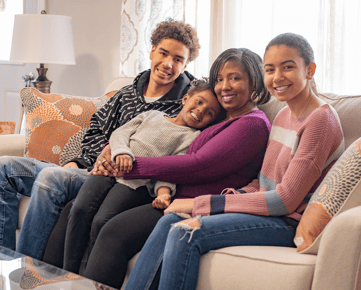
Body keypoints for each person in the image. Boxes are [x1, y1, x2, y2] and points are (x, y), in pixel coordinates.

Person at [124, 33, 345, 290]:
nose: (277, 77)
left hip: (288, 220)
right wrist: (233, 197)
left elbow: (285, 199)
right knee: (170, 220)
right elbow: (265, 182)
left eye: (288, 67)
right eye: (270, 69)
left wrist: (201, 204)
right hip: (268, 210)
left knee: (186, 232)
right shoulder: (284, 114)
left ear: (310, 70)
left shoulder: (320, 121)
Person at [42, 47, 272, 289]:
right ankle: (47, 281)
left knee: (113, 232)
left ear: (255, 82)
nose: (224, 86)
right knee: (72, 209)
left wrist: (127, 167)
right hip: (165, 189)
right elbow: (152, 136)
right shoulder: (225, 116)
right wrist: (113, 149)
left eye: (234, 78)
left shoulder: (251, 125)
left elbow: (198, 165)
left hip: (184, 200)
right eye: (220, 79)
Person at [0, 18, 200, 257]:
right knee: (5, 167)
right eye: (164, 53)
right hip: (85, 169)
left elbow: (166, 153)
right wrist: (79, 161)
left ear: (187, 63)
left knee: (53, 176)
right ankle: (6, 263)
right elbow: (96, 129)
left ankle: (27, 273)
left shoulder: (187, 108)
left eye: (178, 59)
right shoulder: (127, 93)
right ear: (152, 51)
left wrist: (108, 160)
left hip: (112, 181)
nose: (168, 64)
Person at [62, 78, 222, 274]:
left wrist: (163, 193)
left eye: (209, 113)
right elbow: (120, 133)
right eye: (199, 101)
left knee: (101, 220)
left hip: (133, 184)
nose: (201, 110)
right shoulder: (152, 115)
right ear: (185, 98)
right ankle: (67, 272)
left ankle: (87, 275)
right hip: (107, 171)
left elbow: (171, 169)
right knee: (79, 209)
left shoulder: (191, 138)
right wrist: (121, 152)